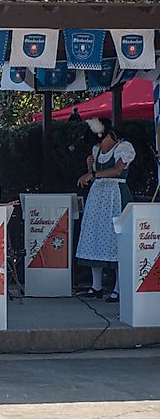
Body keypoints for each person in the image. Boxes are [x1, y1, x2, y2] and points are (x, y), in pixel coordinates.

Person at [76, 118, 136, 303]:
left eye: (100, 140)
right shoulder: (96, 150)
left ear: (108, 135)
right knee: (94, 236)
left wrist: (92, 173)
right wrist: (89, 168)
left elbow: (118, 170)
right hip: (98, 197)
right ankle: (96, 286)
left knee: (117, 239)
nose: (99, 145)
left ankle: (118, 288)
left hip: (115, 196)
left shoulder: (124, 148)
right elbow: (96, 175)